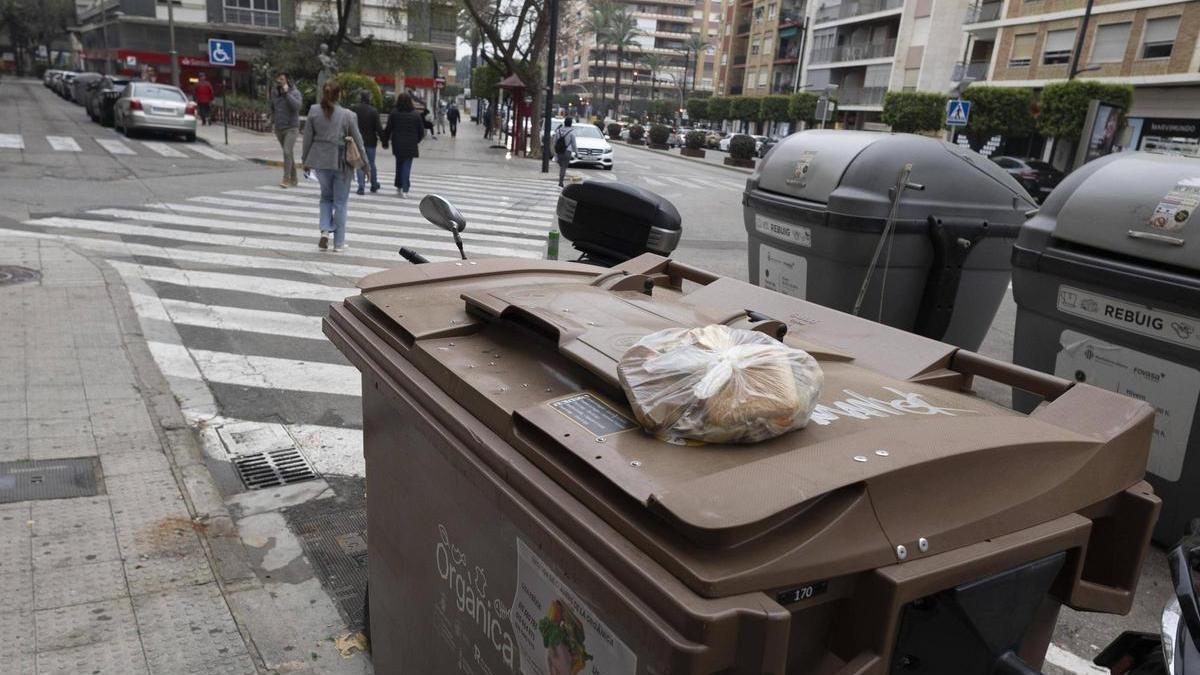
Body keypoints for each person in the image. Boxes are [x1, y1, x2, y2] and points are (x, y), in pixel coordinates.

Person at [301, 80, 365, 252]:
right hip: (341, 164)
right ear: (339, 95)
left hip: (320, 162)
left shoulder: (314, 111)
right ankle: (338, 244)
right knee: (341, 203)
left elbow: (307, 139)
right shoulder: (348, 115)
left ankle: (324, 230)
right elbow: (359, 142)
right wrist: (366, 166)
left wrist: (305, 161)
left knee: (325, 197)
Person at [381, 92, 424, 199]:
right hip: (411, 145)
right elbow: (421, 132)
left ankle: (399, 186)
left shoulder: (394, 113)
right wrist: (416, 141)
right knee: (406, 167)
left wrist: (385, 141)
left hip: (397, 144)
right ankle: (405, 189)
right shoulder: (416, 114)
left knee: (399, 165)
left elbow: (388, 129)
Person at [270, 73, 303, 188]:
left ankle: (286, 179)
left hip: (291, 128)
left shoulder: (295, 93)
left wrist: (287, 93)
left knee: (287, 152)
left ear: (287, 81)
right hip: (279, 128)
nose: (279, 81)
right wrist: (271, 121)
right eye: (278, 79)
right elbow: (273, 108)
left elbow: (297, 107)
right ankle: (294, 179)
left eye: (282, 79)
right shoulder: (275, 93)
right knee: (289, 153)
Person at [351, 90, 381, 195]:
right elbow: (378, 127)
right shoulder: (374, 111)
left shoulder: (354, 109)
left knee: (359, 164)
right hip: (371, 141)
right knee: (371, 163)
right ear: (369, 98)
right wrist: (384, 139)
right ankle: (373, 184)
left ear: (361, 98)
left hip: (357, 141)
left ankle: (361, 187)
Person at [552, 117, 577, 188]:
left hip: (559, 151)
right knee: (563, 167)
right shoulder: (572, 132)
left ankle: (561, 178)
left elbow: (554, 141)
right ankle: (560, 181)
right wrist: (576, 152)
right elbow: (574, 144)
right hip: (567, 151)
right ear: (571, 123)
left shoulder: (558, 131)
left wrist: (555, 151)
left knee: (561, 165)